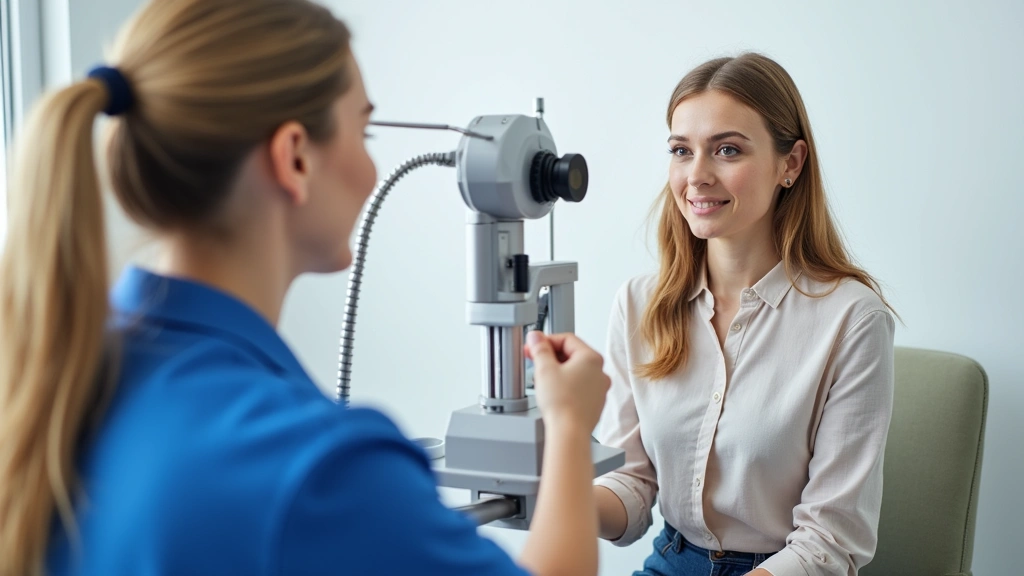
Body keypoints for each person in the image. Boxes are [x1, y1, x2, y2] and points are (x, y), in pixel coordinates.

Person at [0, 1, 611, 575]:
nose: (371, 170)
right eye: (363, 134)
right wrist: (567, 427)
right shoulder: (322, 470)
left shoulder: (57, 375)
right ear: (294, 158)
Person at [592, 53, 896, 576]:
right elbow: (634, 483)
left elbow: (831, 540)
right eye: (681, 151)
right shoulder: (639, 303)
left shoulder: (853, 319)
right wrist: (551, 492)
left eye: (727, 150)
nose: (697, 175)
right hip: (670, 560)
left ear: (791, 164)